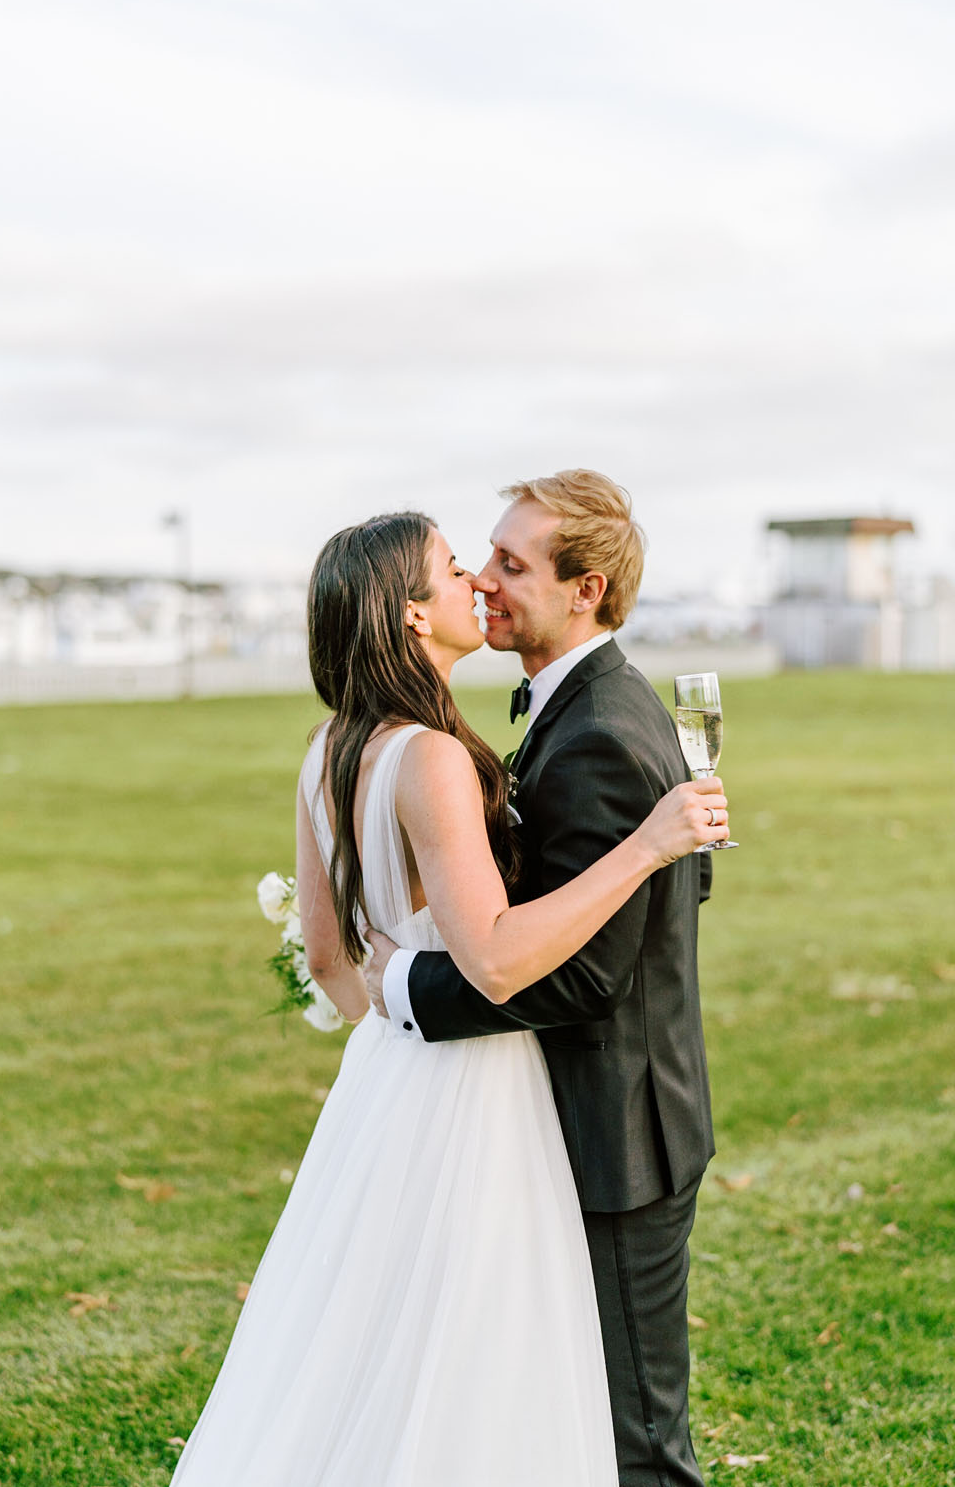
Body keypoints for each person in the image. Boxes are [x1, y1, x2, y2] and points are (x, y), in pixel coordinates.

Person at [169, 507, 727, 1487]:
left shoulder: (325, 747)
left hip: (384, 1094)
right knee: (480, 1366)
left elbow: (339, 975)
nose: (475, 579)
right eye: (456, 567)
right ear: (413, 618)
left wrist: (395, 995)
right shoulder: (428, 755)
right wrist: (648, 846)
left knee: (376, 1353)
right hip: (474, 1095)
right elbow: (500, 961)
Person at [366, 470, 718, 1487]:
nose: (485, 580)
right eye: (485, 555)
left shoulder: (601, 729)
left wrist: (403, 989)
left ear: (587, 591)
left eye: (512, 565)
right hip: (599, 1119)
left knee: (636, 1443)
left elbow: (582, 981)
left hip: (618, 1139)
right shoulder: (588, 708)